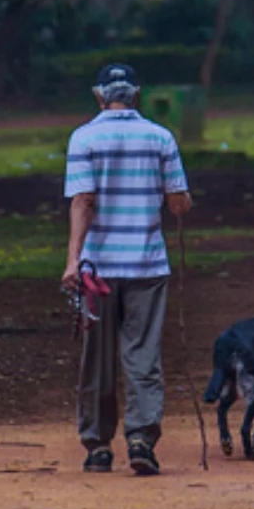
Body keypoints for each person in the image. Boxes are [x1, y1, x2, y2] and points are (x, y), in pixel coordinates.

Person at [61, 62, 192, 476]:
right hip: (147, 265)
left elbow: (82, 201)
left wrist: (72, 260)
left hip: (97, 269)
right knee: (143, 355)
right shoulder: (160, 138)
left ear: (99, 95)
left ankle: (98, 446)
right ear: (137, 94)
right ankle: (140, 439)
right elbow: (177, 203)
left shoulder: (84, 138)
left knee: (96, 359)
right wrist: (184, 200)